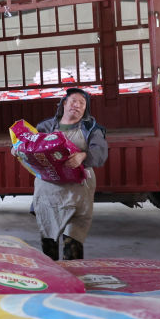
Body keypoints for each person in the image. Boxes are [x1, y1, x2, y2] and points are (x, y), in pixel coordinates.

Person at [30, 88, 108, 261]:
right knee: (48, 239)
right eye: (73, 101)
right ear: (64, 103)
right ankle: (52, 273)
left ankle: (73, 274)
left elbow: (100, 153)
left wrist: (83, 156)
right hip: (49, 192)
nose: (77, 105)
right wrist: (17, 149)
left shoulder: (91, 129)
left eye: (82, 103)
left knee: (73, 240)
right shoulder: (45, 127)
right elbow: (28, 145)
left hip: (77, 193)